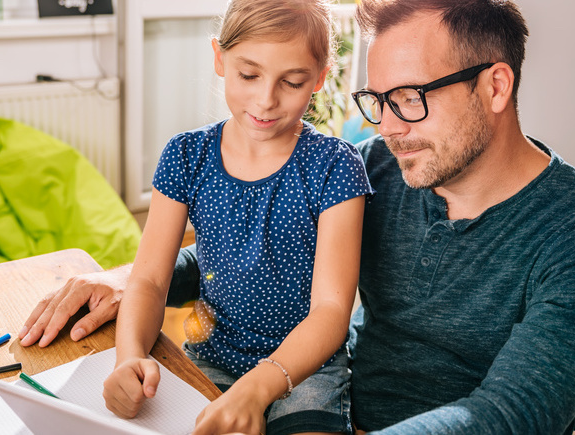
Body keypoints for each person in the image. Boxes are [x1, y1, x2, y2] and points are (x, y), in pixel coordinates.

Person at [20, 0, 575, 434]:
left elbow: (510, 418)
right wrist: (128, 282)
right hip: (327, 404)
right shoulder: (380, 166)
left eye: (410, 99)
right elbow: (255, 245)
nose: (390, 128)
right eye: (379, 101)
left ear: (495, 86)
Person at [83, 1, 372, 434]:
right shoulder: (186, 156)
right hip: (212, 357)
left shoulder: (334, 166)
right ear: (220, 58)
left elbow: (332, 310)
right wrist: (129, 357)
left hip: (307, 371)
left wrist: (260, 387)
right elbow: (149, 280)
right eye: (249, 75)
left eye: (291, 82)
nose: (266, 99)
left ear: (319, 78)